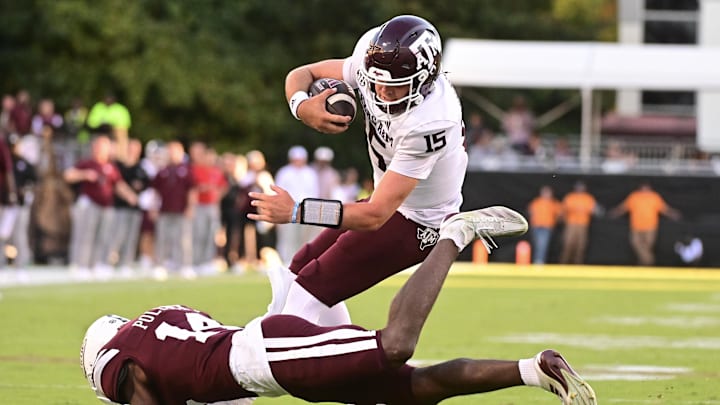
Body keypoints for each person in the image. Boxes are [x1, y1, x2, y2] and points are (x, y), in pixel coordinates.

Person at [80, 208, 597, 405]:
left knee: (395, 346)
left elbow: (147, 387)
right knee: (410, 391)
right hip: (263, 350)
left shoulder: (116, 361)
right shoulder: (160, 319)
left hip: (263, 357)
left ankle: (454, 237)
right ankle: (534, 370)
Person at [249, 15, 479, 326]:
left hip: (420, 221)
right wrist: (302, 107)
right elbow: (303, 73)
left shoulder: (431, 122)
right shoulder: (372, 56)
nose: (382, 91)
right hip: (386, 203)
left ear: (423, 82)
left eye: (394, 87)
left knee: (308, 290)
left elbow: (375, 215)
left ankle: (307, 364)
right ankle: (339, 359)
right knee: (297, 270)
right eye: (377, 81)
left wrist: (296, 211)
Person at [610, 182, 681, 266]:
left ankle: (643, 265)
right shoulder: (634, 197)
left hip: (650, 226)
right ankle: (649, 262)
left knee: (648, 246)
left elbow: (664, 209)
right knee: (636, 244)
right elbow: (624, 207)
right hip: (636, 226)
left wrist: (673, 214)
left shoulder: (654, 197)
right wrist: (614, 213)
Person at [272, 145, 318, 264]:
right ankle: (288, 261)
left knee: (305, 238)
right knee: (288, 237)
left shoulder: (310, 173)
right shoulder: (285, 172)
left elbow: (314, 193)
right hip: (288, 209)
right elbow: (278, 192)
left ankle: (302, 261)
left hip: (306, 209)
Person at [559, 181, 599, 265]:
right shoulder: (570, 197)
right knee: (568, 244)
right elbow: (563, 210)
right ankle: (563, 264)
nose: (580, 189)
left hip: (582, 225)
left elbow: (595, 210)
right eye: (578, 187)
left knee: (581, 245)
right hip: (571, 224)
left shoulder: (588, 198)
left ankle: (578, 264)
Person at [527, 185, 562, 265]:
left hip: (546, 227)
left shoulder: (553, 203)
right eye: (545, 192)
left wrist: (554, 221)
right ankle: (537, 259)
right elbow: (530, 211)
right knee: (537, 244)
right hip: (536, 226)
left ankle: (539, 261)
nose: (546, 194)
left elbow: (560, 214)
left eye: (548, 192)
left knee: (542, 244)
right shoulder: (537, 202)